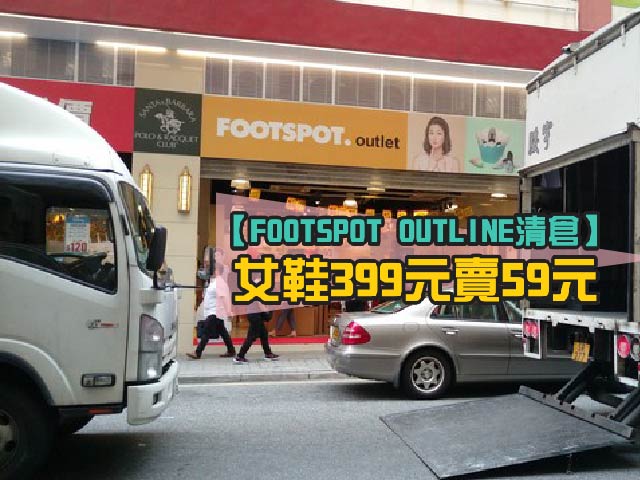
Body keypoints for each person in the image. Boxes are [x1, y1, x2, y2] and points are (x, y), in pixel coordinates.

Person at [187, 247, 236, 359]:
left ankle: (198, 352)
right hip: (213, 311)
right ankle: (231, 350)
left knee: (206, 332)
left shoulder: (219, 282)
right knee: (223, 332)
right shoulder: (213, 282)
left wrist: (229, 312)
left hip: (215, 312)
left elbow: (225, 298)